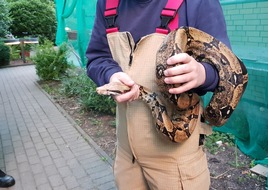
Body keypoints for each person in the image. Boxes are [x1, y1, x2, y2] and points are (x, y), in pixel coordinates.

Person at [86, 0, 231, 189]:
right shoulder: (107, 3)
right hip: (126, 157)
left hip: (176, 166)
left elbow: (228, 68)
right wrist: (111, 75)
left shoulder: (199, 3)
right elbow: (97, 57)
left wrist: (203, 74)